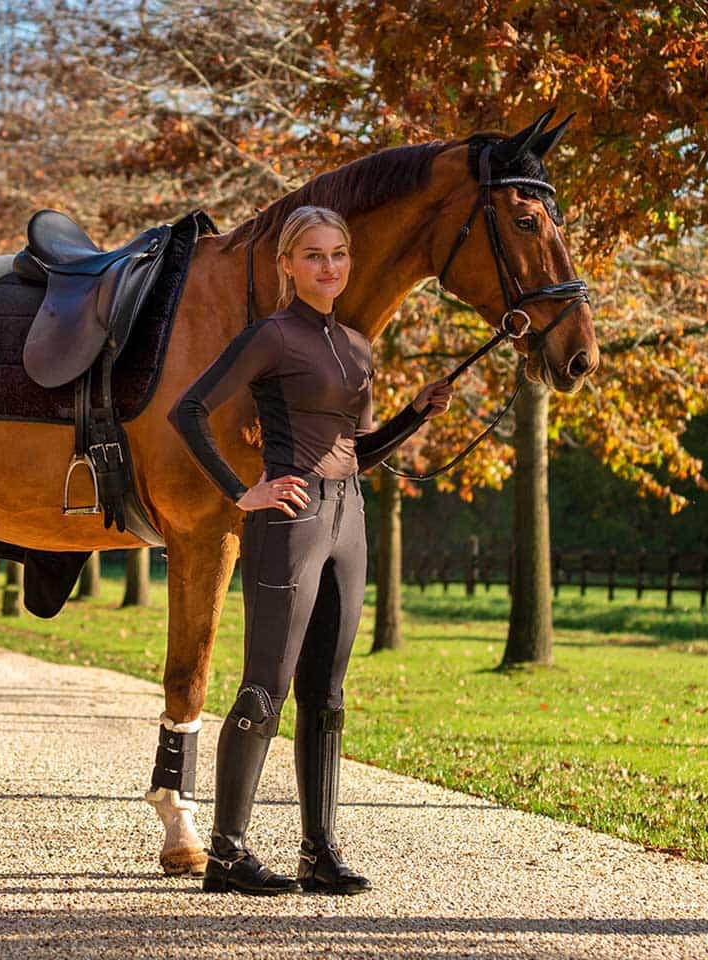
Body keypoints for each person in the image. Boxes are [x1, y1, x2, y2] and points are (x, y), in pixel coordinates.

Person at [168, 206, 453, 895]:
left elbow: (356, 451)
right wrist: (243, 493)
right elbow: (188, 411)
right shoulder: (271, 335)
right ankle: (229, 854)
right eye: (314, 255)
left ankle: (318, 851)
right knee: (267, 686)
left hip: (348, 520)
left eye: (339, 255)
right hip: (289, 521)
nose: (330, 267)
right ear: (288, 266)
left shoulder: (356, 346)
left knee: (326, 694)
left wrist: (416, 414)